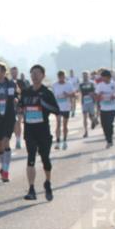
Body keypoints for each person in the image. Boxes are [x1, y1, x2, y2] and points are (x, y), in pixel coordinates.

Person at [19, 64, 58, 201]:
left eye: (37, 73)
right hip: (29, 130)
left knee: (45, 159)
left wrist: (43, 104)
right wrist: (19, 112)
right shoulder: (25, 92)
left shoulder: (47, 93)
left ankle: (47, 183)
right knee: (30, 158)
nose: (34, 76)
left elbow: (56, 110)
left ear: (43, 75)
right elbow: (20, 107)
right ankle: (31, 189)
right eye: (32, 73)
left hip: (43, 131)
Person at [94, 68, 115, 148]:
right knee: (104, 125)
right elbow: (96, 97)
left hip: (112, 108)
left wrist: (114, 96)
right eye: (102, 77)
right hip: (103, 108)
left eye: (103, 77)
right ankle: (108, 139)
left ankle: (110, 140)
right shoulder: (100, 86)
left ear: (108, 77)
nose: (102, 79)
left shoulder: (114, 84)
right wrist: (99, 96)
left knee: (109, 124)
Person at [50, 70, 75, 149]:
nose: (61, 78)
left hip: (66, 107)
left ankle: (64, 141)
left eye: (62, 76)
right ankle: (57, 142)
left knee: (64, 125)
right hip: (58, 107)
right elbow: (52, 96)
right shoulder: (54, 85)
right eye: (59, 76)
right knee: (58, 124)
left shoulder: (69, 84)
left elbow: (74, 94)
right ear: (58, 77)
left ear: (64, 76)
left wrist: (67, 95)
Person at [10, 66, 28, 150]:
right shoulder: (8, 82)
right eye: (12, 72)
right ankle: (16, 136)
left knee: (19, 122)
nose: (14, 74)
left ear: (17, 73)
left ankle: (18, 141)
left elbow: (25, 93)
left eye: (15, 72)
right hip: (10, 105)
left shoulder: (21, 82)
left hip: (20, 105)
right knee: (14, 123)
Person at [79, 71, 96, 138]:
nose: (85, 77)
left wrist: (92, 95)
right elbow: (79, 92)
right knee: (85, 117)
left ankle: (94, 121)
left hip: (91, 102)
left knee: (91, 116)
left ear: (88, 76)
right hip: (84, 102)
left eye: (86, 75)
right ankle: (86, 132)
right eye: (84, 75)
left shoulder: (92, 83)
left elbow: (96, 92)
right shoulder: (81, 84)